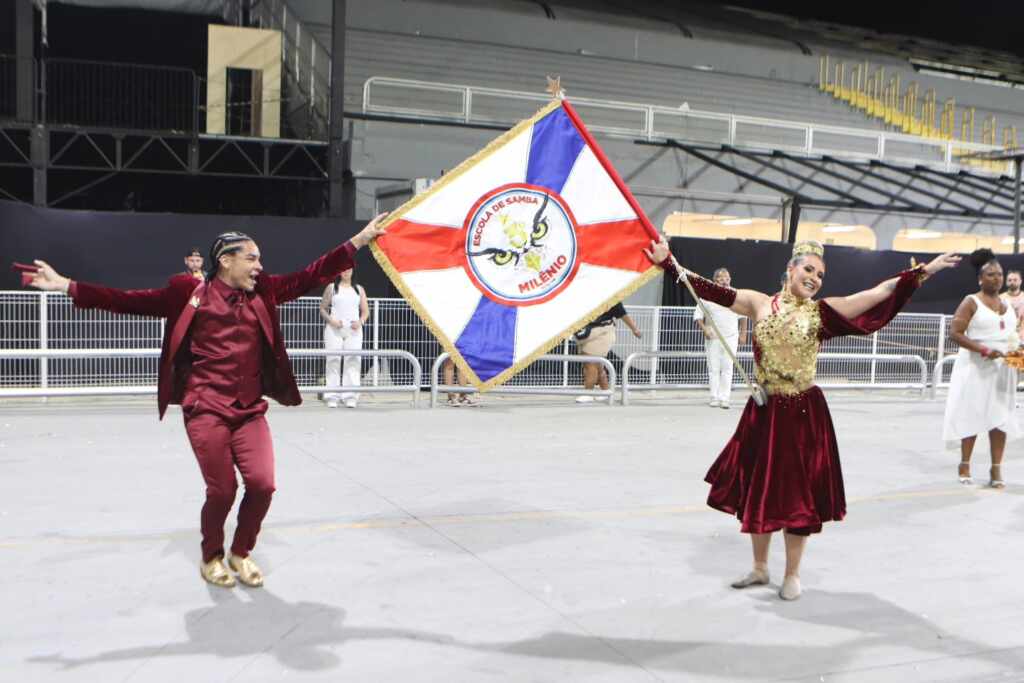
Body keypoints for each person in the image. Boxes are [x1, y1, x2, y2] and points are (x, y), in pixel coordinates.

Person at [22, 214, 388, 588]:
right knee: (223, 490)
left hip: (249, 410)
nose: (260, 266)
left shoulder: (263, 290)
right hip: (205, 406)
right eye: (252, 258)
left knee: (263, 485)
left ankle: (240, 552)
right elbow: (128, 300)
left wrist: (357, 241)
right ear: (226, 260)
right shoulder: (188, 292)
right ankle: (212, 555)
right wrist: (66, 285)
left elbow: (310, 275)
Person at [646, 237, 959, 600]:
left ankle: (792, 574)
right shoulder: (758, 303)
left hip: (802, 413)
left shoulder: (820, 312)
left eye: (820, 274)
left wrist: (923, 272)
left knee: (797, 495)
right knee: (758, 489)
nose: (814, 278)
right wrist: (669, 264)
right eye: (808, 269)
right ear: (790, 269)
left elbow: (877, 293)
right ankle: (760, 568)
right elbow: (709, 290)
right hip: (764, 412)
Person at [943, 248, 1021, 488]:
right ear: (980, 278)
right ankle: (964, 464)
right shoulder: (971, 301)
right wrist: (983, 350)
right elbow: (955, 333)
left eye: (999, 274)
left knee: (1001, 420)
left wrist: (1018, 355)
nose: (997, 278)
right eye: (990, 275)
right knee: (973, 416)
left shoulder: (1008, 305)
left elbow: (1011, 336)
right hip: (976, 368)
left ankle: (996, 468)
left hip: (1003, 370)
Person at [694, 267, 748, 409]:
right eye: (721, 277)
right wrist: (704, 329)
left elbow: (743, 317)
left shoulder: (736, 294)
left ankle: (725, 398)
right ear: (715, 280)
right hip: (713, 337)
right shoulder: (706, 294)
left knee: (728, 367)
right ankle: (714, 396)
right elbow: (698, 316)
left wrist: (743, 334)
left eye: (727, 277)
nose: (725, 280)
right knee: (714, 367)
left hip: (731, 336)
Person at [320, 267, 368, 409]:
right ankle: (331, 396)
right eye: (343, 268)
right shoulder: (331, 288)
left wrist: (360, 322)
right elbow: (322, 308)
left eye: (349, 269)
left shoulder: (359, 289)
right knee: (333, 360)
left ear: (353, 271)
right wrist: (331, 321)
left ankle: (350, 396)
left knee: (353, 361)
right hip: (334, 329)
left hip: (354, 331)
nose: (346, 271)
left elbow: (365, 311)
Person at [574, 301, 641, 403]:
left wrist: (634, 329)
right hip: (586, 332)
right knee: (598, 365)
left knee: (590, 363)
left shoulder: (611, 295)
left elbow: (622, 313)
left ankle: (588, 393)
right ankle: (605, 391)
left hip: (603, 331)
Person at [1001, 269, 1024, 336]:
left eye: (1015, 280)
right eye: (1009, 280)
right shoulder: (1000, 298)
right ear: (1006, 282)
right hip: (1006, 335)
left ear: (1020, 281)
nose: (1012, 282)